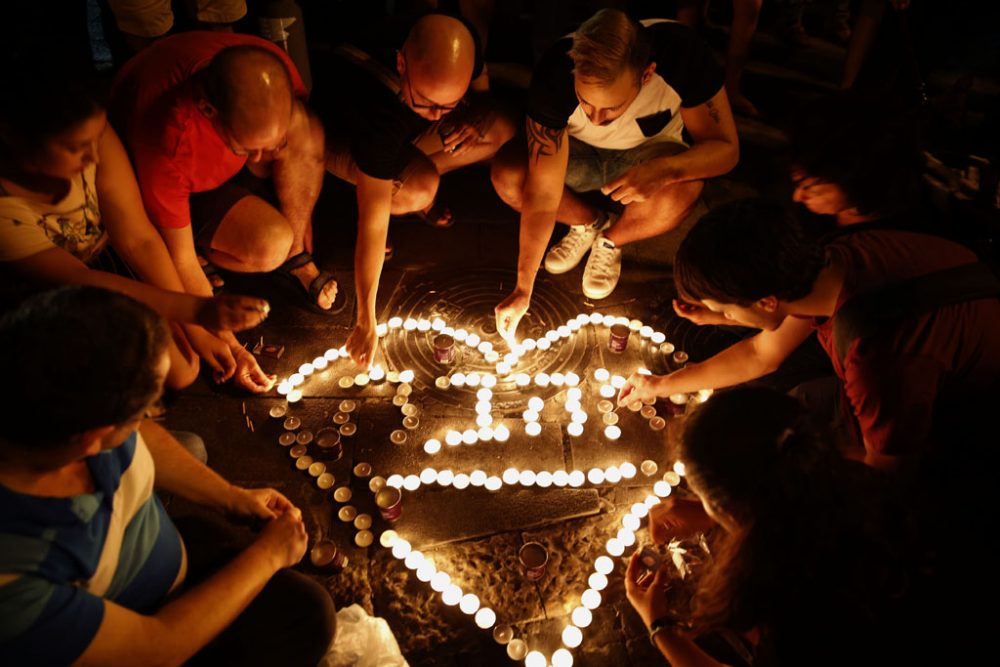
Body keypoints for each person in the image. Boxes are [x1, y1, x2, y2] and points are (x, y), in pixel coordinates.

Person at [0, 286, 334, 665]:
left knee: (190, 450)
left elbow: (140, 439)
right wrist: (269, 555)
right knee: (309, 617)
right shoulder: (13, 584)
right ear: (92, 437)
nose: (153, 415)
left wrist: (230, 496)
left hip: (160, 547)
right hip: (152, 627)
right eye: (149, 406)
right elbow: (154, 647)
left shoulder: (51, 406)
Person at [618, 199, 1000, 469]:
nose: (720, 316)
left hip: (959, 416)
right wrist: (661, 384)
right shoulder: (834, 256)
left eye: (724, 308)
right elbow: (760, 355)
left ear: (767, 301)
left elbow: (889, 474)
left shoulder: (876, 359)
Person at [0, 62, 269, 391]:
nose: (95, 158)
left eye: (97, 139)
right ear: (15, 138)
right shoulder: (4, 210)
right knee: (175, 372)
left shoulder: (92, 137)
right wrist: (197, 311)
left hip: (108, 256)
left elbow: (138, 239)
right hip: (53, 293)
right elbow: (80, 281)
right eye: (76, 148)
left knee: (186, 360)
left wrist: (201, 329)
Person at [625, 386, 930, 665]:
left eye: (701, 496)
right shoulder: (862, 484)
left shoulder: (796, 609)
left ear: (729, 509)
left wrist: (659, 626)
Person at [492, 8, 738, 338]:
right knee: (510, 176)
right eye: (585, 101)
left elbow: (726, 150)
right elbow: (541, 193)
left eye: (611, 107)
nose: (596, 117)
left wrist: (665, 171)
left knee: (682, 191)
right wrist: (524, 287)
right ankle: (589, 222)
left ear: (646, 75)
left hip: (649, 154)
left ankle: (611, 240)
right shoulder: (555, 73)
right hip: (575, 155)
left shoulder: (683, 55)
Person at [316, 12, 516, 368]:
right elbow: (373, 224)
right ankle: (379, 185)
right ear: (401, 64)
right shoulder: (377, 115)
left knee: (500, 128)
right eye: (425, 101)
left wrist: (474, 115)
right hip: (339, 137)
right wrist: (366, 319)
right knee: (417, 190)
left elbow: (483, 96)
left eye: (449, 104)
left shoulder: (461, 41)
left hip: (399, 135)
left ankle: (406, 173)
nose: (437, 115)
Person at [111, 31, 337, 333]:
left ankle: (295, 255)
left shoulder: (268, 65)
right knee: (270, 246)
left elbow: (300, 137)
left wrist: (286, 155)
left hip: (216, 160)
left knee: (303, 128)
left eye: (272, 144)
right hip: (173, 192)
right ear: (208, 110)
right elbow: (179, 260)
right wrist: (222, 339)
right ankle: (203, 242)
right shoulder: (167, 141)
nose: (261, 159)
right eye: (246, 147)